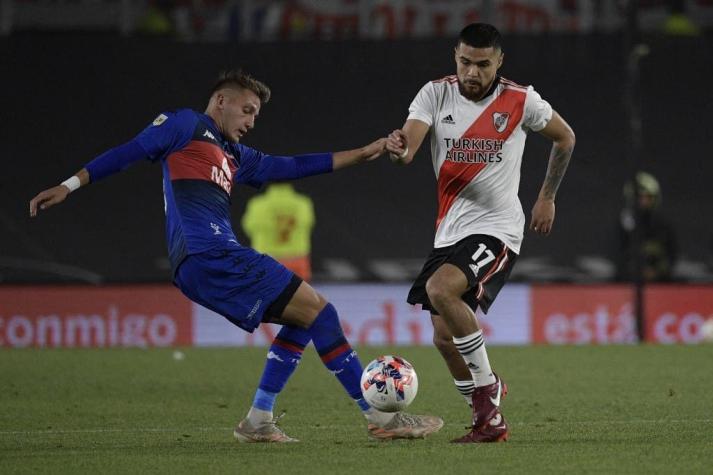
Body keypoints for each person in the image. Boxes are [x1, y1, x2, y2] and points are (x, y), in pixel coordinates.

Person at [29, 70, 443, 443]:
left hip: (200, 263)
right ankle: (379, 417)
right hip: (209, 252)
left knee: (306, 319)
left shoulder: (234, 157)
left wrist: (364, 152)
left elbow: (293, 165)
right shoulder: (185, 125)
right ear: (220, 101)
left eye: (255, 116)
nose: (250, 122)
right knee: (323, 312)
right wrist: (70, 185)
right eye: (246, 110)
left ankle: (259, 418)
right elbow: (129, 151)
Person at [385, 23, 575, 443]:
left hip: (498, 229)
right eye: (465, 62)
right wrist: (400, 150)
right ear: (455, 56)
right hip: (450, 230)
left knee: (440, 289)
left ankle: (488, 395)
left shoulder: (521, 100)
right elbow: (411, 144)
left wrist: (547, 197)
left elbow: (565, 138)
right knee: (442, 338)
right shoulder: (434, 93)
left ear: (499, 61)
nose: (472, 72)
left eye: (483, 64)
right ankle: (484, 415)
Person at [241, 183, 315, 281]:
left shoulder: (258, 204)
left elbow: (249, 228)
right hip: (297, 259)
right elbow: (308, 225)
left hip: (267, 260)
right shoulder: (303, 203)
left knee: (265, 295)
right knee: (301, 295)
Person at [616, 171, 676, 282]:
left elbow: (671, 256)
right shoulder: (622, 227)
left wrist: (656, 272)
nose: (644, 201)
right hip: (627, 284)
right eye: (640, 197)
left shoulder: (663, 226)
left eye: (648, 197)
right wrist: (637, 272)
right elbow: (618, 259)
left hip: (660, 284)